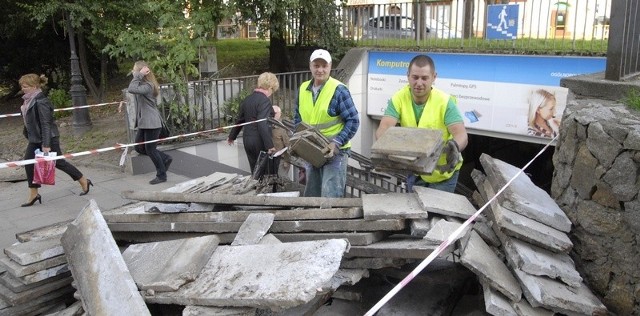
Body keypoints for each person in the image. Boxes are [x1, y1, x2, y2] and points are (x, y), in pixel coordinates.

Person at [375, 54, 468, 193]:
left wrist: (454, 146)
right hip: (415, 170)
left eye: (424, 78)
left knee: (437, 214)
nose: (419, 83)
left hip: (443, 174)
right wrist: (388, 148)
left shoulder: (444, 102)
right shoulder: (398, 98)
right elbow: (384, 128)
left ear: (434, 77)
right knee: (416, 212)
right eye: (415, 77)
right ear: (408, 76)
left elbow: (461, 134)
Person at [293, 49, 360, 198]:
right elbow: (297, 119)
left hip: (335, 152)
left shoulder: (339, 90)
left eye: (324, 66)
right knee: (312, 194)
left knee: (330, 195)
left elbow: (353, 121)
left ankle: (331, 221)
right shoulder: (303, 89)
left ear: (330, 67)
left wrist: (337, 142)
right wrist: (295, 142)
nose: (320, 70)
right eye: (316, 66)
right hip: (312, 150)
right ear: (310, 66)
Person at [19, 74, 92, 207]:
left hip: (48, 138)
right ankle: (34, 193)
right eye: (22, 86)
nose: (23, 89)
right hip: (35, 139)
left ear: (34, 87)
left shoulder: (41, 101)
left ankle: (83, 180)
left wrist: (46, 144)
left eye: (25, 86)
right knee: (29, 163)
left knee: (59, 162)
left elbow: (46, 124)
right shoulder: (28, 101)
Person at [127, 60, 173, 185]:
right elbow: (133, 89)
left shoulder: (148, 86)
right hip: (145, 122)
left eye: (135, 70)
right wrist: (139, 76)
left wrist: (138, 75)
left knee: (151, 149)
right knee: (139, 147)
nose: (133, 72)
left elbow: (131, 89)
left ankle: (161, 175)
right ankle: (165, 158)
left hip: (151, 122)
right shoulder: (144, 84)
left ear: (142, 72)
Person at [228, 72, 279, 176]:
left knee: (254, 171)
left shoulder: (248, 99)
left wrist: (232, 136)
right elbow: (262, 123)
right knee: (265, 172)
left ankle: (256, 189)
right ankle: (265, 191)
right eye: (273, 90)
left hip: (247, 140)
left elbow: (240, 120)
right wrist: (270, 145)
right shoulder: (264, 101)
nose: (271, 93)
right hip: (259, 141)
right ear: (270, 87)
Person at [271, 105, 291, 180]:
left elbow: (288, 145)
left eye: (275, 113)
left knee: (282, 179)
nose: (273, 115)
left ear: (279, 114)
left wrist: (286, 160)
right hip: (272, 158)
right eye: (271, 113)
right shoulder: (268, 126)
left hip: (282, 159)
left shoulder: (283, 128)